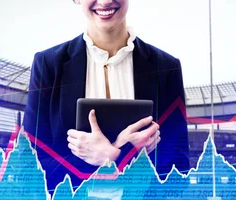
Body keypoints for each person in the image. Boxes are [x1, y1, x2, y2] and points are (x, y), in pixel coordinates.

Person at [22, 0, 190, 193]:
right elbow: (28, 167)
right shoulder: (48, 65)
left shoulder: (166, 68)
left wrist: (113, 156)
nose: (105, 1)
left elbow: (179, 171)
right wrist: (117, 156)